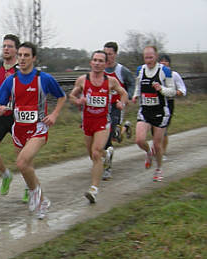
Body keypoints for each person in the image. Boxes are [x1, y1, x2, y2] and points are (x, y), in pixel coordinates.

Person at [0, 42, 66, 219]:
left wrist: (55, 115)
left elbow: (61, 96)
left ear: (33, 58)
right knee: (27, 168)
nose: (22, 59)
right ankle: (42, 201)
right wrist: (0, 109)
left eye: (26, 55)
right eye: (20, 55)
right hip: (18, 129)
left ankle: (35, 193)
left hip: (38, 128)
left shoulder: (44, 78)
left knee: (21, 163)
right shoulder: (11, 80)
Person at [69, 50, 128, 203]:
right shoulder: (82, 80)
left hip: (103, 122)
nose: (97, 63)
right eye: (95, 60)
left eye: (100, 60)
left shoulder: (111, 81)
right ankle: (107, 155)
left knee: (95, 153)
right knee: (92, 155)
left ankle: (93, 189)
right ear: (91, 62)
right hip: (87, 122)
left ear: (105, 64)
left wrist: (122, 103)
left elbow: (123, 93)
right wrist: (77, 101)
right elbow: (71, 95)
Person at [0, 34, 28, 201]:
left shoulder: (22, 68)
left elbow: (26, 93)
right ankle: (6, 175)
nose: (6, 49)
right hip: (0, 116)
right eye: (4, 46)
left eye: (10, 46)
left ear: (17, 50)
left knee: (22, 157)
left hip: (17, 118)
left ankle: (29, 187)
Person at [132, 46, 176, 182]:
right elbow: (138, 86)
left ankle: (159, 169)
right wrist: (135, 96)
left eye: (151, 57)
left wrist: (161, 89)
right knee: (139, 140)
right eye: (146, 58)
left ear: (156, 57)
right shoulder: (140, 70)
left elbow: (172, 92)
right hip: (145, 110)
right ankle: (148, 152)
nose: (148, 60)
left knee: (157, 145)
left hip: (160, 112)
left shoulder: (164, 71)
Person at [102, 42, 135, 180]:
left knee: (111, 138)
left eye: (110, 54)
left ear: (115, 54)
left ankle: (107, 169)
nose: (107, 57)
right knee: (110, 138)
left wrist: (127, 99)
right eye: (106, 54)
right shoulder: (99, 69)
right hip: (103, 108)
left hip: (117, 107)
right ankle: (125, 127)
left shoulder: (122, 71)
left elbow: (132, 83)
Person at [159, 54, 187, 158]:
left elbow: (182, 89)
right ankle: (157, 148)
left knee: (164, 128)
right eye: (161, 61)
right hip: (157, 103)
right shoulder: (155, 74)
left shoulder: (174, 74)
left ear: (169, 63)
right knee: (155, 128)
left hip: (169, 103)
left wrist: (174, 92)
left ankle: (162, 152)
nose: (163, 63)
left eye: (165, 61)